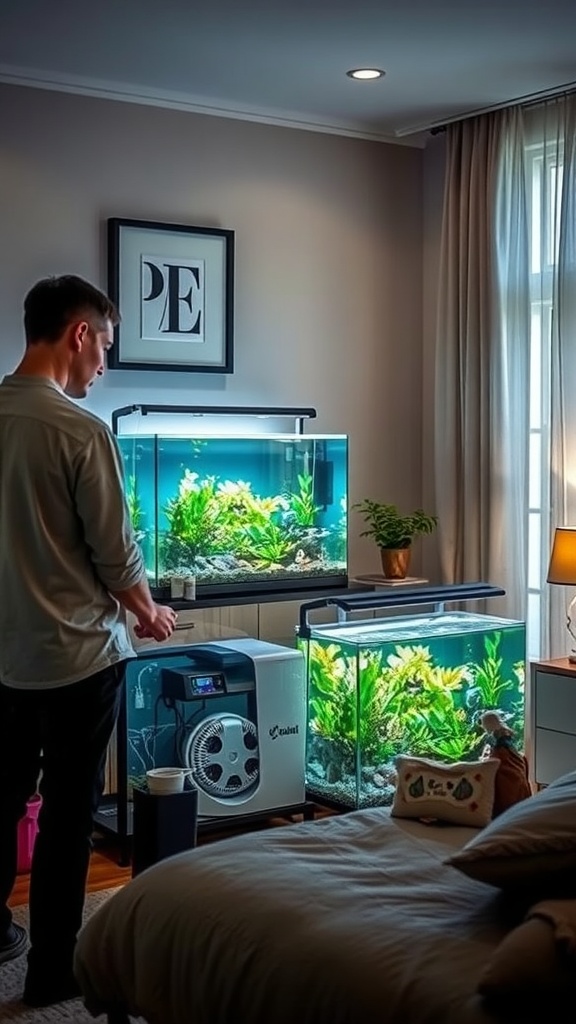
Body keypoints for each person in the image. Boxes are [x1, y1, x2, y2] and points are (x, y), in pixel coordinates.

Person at [0, 275, 177, 1007]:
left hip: (5, 661)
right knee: (70, 818)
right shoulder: (81, 430)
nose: (103, 365)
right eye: (104, 346)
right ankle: (50, 975)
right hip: (78, 659)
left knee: (3, 801)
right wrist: (149, 613)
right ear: (78, 334)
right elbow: (115, 555)